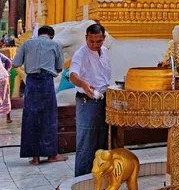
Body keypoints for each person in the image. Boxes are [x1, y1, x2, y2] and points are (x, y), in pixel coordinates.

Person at [14, 25, 67, 165]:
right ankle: (51, 155)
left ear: (38, 34)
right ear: (51, 35)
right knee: (49, 118)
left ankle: (35, 158)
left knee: (31, 118)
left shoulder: (27, 44)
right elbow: (60, 67)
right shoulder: (55, 44)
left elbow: (15, 63)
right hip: (46, 82)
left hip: (31, 82)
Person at [69, 23, 111, 177]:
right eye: (91, 41)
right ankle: (82, 179)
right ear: (86, 38)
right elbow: (72, 74)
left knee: (103, 141)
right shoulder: (81, 54)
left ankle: (100, 176)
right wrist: (84, 84)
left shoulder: (105, 52)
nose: (94, 45)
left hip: (103, 99)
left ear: (104, 39)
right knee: (86, 142)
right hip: (87, 101)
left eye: (98, 41)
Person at [0, 52, 12, 123]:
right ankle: (8, 118)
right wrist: (6, 69)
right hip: (5, 76)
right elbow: (8, 61)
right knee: (6, 97)